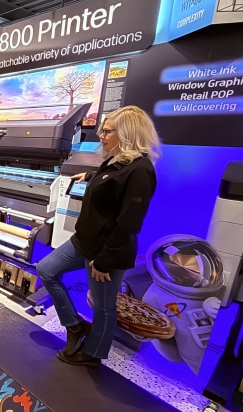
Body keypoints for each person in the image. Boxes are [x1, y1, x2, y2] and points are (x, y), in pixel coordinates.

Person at [35, 105, 161, 367]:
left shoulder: (141, 170)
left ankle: (93, 354)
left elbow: (128, 222)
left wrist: (104, 261)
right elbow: (111, 182)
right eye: (102, 130)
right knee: (46, 269)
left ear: (127, 133)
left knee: (103, 307)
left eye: (107, 131)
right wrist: (91, 176)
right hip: (83, 242)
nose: (101, 136)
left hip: (107, 252)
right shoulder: (117, 162)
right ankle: (75, 324)